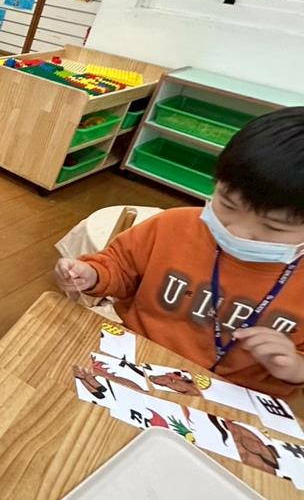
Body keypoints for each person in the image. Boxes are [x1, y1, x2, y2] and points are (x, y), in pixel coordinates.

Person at [55, 107, 304, 396]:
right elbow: (119, 267)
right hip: (137, 362)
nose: (238, 231)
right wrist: (92, 274)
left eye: (273, 227)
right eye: (228, 205)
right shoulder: (171, 225)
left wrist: (295, 368)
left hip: (237, 395)